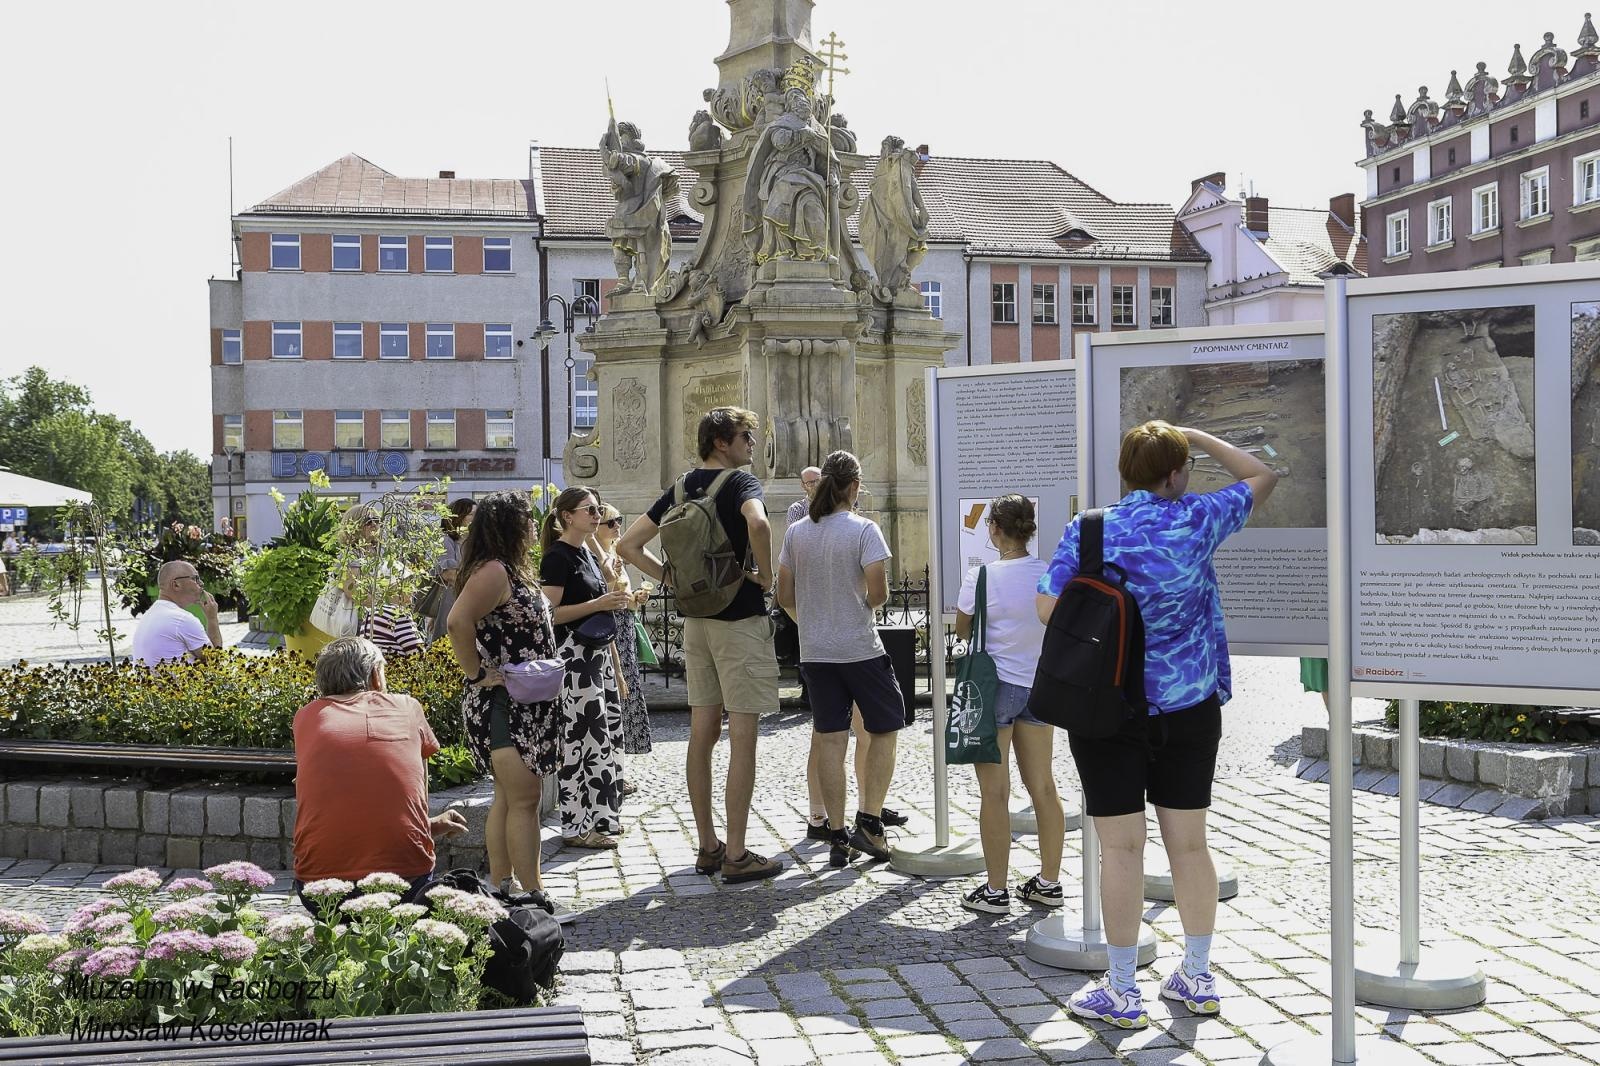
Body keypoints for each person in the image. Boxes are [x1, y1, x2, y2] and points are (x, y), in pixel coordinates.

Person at [1038, 421, 1276, 1029]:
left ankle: (1122, 990)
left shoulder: (1090, 528)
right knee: (1189, 845)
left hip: (1108, 709)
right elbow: (1262, 474)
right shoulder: (1198, 520)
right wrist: (1196, 436)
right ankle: (1196, 974)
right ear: (1176, 473)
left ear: (1125, 471)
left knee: (1120, 847)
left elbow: (1047, 605)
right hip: (1190, 708)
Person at [617, 406, 785, 885]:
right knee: (744, 737)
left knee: (702, 733)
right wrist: (766, 576)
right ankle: (736, 853)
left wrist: (671, 579)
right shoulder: (739, 484)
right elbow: (759, 525)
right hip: (739, 620)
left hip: (697, 620)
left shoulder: (681, 485)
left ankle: (708, 845)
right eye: (745, 436)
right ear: (721, 443)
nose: (751, 445)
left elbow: (627, 546)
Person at [777, 450, 904, 867]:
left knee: (830, 739)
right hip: (860, 648)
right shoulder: (865, 529)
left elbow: (784, 596)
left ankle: (835, 835)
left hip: (816, 652)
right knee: (884, 729)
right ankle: (869, 820)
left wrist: (810, 622)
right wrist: (858, 607)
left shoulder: (797, 532)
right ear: (854, 486)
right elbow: (879, 594)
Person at [291, 636, 467, 912]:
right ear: (376, 676)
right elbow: (413, 794)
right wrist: (428, 826)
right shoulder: (407, 707)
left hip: (319, 891)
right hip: (407, 883)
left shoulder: (306, 717)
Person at [446, 490, 563, 903]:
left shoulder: (509, 569)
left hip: (523, 702)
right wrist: (476, 674)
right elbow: (457, 621)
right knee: (526, 799)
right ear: (511, 527)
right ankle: (533, 893)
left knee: (509, 797)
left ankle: (501, 886)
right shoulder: (494, 570)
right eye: (529, 520)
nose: (535, 526)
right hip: (506, 705)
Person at [954, 495, 1065, 915]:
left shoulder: (981, 577)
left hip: (995, 687)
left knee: (995, 794)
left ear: (995, 530)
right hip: (1038, 687)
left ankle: (996, 890)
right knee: (1044, 788)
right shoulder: (1049, 573)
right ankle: (1049, 882)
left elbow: (964, 628)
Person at [539, 487, 631, 850]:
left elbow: (600, 609)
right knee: (579, 744)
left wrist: (616, 667)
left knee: (602, 739)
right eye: (589, 510)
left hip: (595, 658)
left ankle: (601, 819)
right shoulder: (557, 557)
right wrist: (600, 601)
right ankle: (576, 826)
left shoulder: (587, 554)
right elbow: (549, 615)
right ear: (567, 517)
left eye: (597, 509)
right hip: (573, 659)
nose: (597, 515)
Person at [591, 503, 653, 790]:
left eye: (619, 521)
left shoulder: (615, 552)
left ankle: (618, 768)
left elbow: (621, 592)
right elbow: (607, 591)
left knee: (625, 693)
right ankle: (613, 770)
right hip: (611, 629)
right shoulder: (598, 556)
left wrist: (635, 598)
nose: (617, 527)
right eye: (612, 523)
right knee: (617, 694)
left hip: (624, 626)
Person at [131, 560, 223, 666]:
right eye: (195, 579)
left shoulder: (150, 614)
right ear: (176, 585)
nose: (201, 584)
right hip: (172, 682)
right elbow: (215, 661)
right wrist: (212, 619)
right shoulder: (181, 619)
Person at [425, 498, 476, 641]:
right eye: (471, 515)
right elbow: (449, 574)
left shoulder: (472, 542)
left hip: (469, 605)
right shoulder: (446, 540)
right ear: (458, 517)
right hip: (451, 603)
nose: (476, 519)